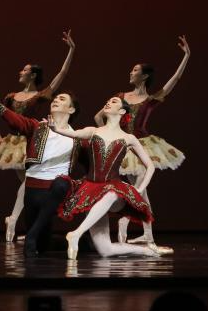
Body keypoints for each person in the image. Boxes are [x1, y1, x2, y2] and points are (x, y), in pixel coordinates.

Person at [46, 96, 172, 260]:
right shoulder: (93, 131)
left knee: (111, 192)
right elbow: (74, 133)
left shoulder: (129, 138)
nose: (108, 102)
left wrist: (139, 190)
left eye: (113, 102)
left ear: (122, 111)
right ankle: (148, 251)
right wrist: (55, 129)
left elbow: (150, 166)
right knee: (105, 250)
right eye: (107, 101)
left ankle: (76, 234)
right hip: (91, 190)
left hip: (115, 191)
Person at [0, 30, 76, 241]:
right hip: (14, 143)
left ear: (33, 75)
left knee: (27, 183)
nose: (21, 72)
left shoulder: (41, 95)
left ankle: (16, 220)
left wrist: (71, 50)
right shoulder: (11, 96)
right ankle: (16, 220)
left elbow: (62, 74)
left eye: (25, 70)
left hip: (32, 142)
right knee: (27, 182)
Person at [102, 34, 190, 245]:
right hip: (125, 146)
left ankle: (130, 222)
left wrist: (186, 56)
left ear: (144, 76)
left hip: (143, 145)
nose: (130, 73)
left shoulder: (150, 99)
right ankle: (144, 230)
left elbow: (174, 80)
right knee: (140, 188)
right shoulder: (121, 97)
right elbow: (99, 116)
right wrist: (108, 134)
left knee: (140, 186)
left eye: (135, 70)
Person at [0, 84, 81, 255]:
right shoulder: (37, 127)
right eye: (55, 98)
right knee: (43, 246)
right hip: (33, 190)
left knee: (62, 184)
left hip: (56, 190)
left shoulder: (77, 138)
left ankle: (31, 236)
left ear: (71, 109)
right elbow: (15, 119)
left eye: (62, 99)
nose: (56, 100)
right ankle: (78, 243)